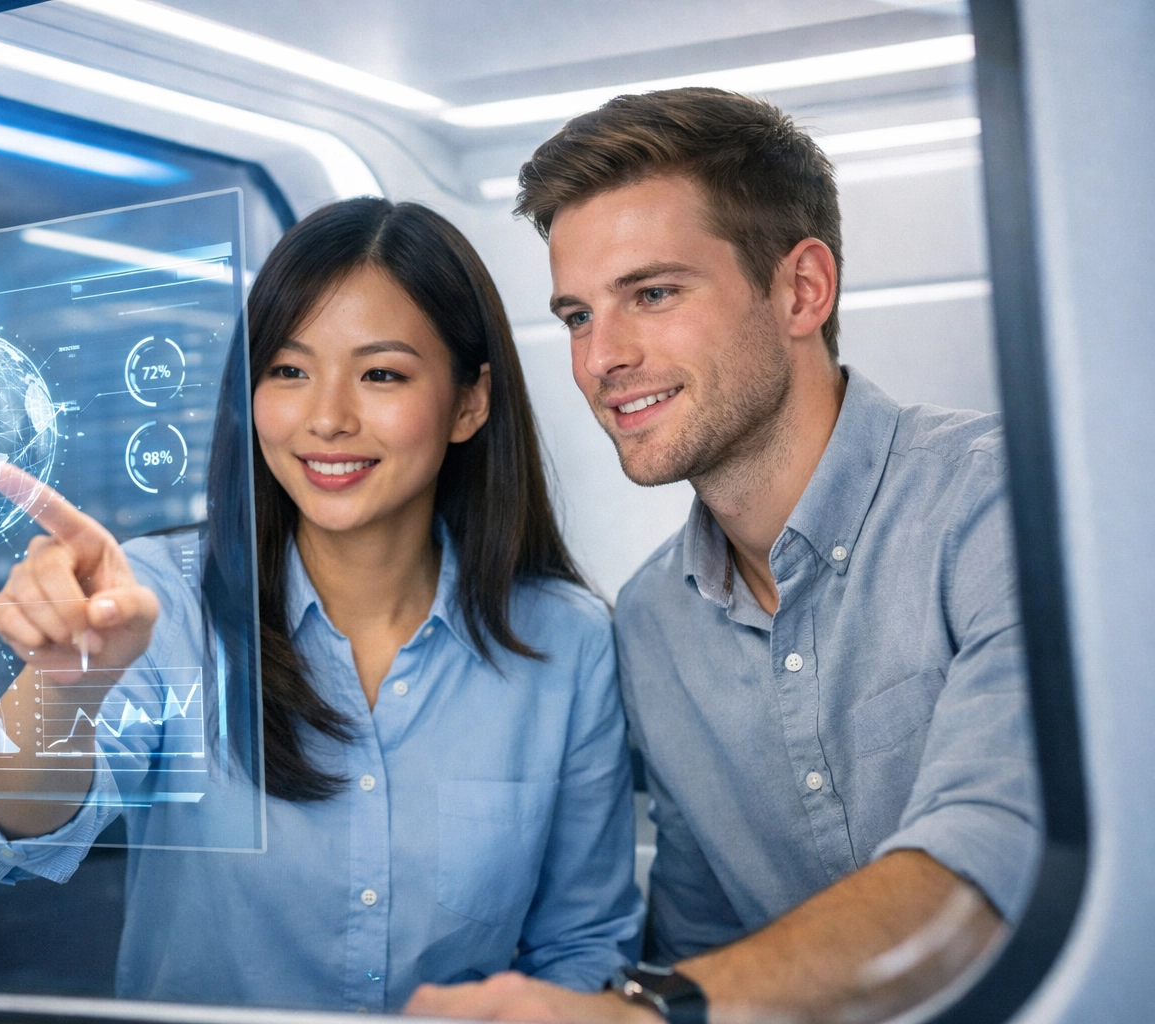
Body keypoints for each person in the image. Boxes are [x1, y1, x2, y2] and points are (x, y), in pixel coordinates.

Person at [406, 89, 1042, 1024]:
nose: (600, 359)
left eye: (652, 294)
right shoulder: (653, 622)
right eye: (578, 315)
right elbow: (702, 943)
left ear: (800, 290)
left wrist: (657, 1010)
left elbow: (995, 860)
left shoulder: (1002, 510)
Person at [0, 198, 643, 1012]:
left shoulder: (565, 640)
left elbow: (585, 944)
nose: (327, 419)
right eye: (289, 371)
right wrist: (64, 685)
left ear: (469, 403)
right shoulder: (161, 600)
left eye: (382, 374)